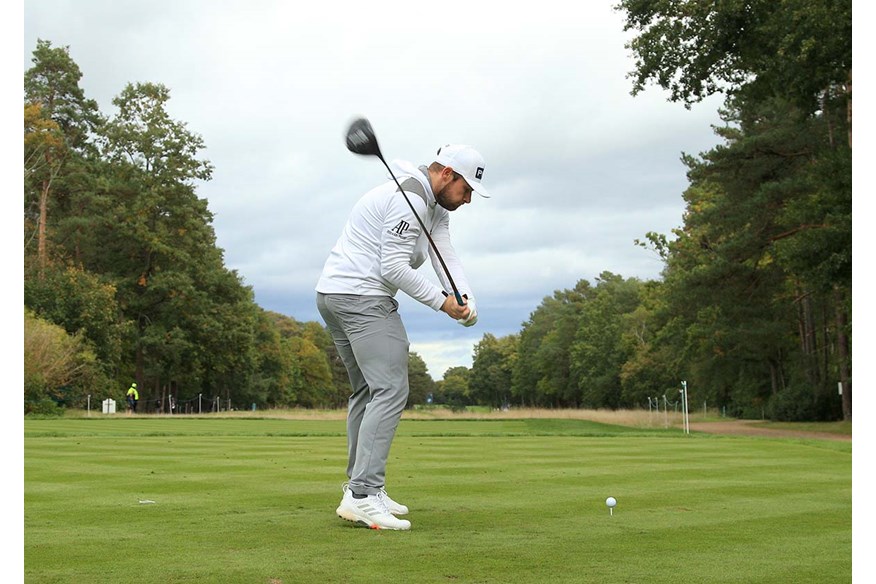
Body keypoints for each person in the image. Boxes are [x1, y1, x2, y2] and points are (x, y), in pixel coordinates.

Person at [316, 144, 492, 530]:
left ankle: (358, 490)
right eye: (466, 190)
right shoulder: (408, 199)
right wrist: (442, 303)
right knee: (391, 389)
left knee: (368, 391)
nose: (468, 200)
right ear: (447, 174)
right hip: (361, 297)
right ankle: (363, 493)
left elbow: (443, 252)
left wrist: (465, 298)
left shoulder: (435, 207)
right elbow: (393, 267)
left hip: (334, 294)